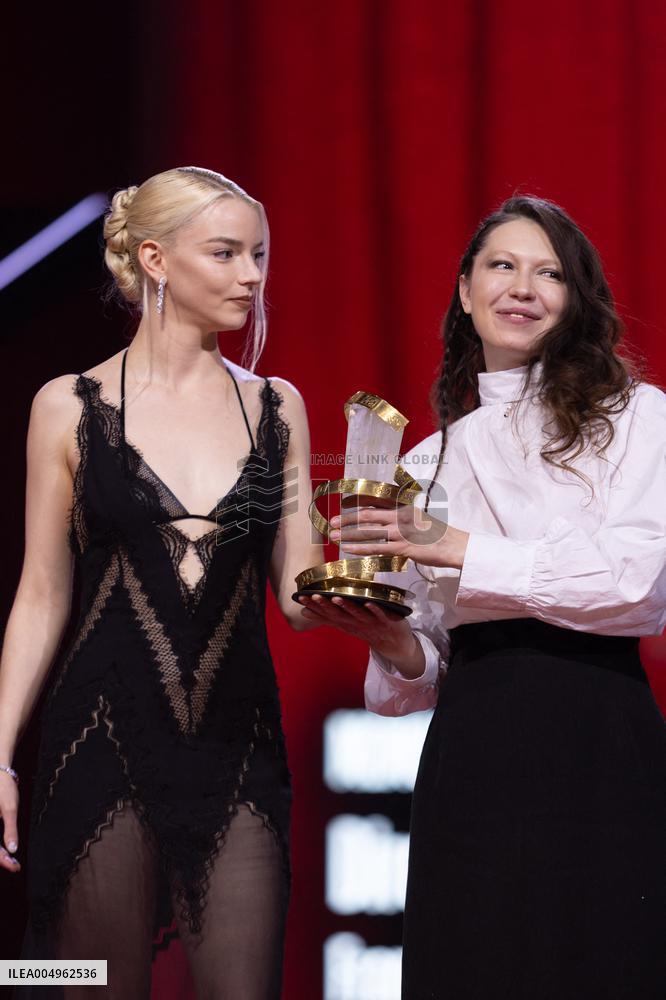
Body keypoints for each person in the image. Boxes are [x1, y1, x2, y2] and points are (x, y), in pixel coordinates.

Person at [300, 195, 666, 999]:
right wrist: (388, 640)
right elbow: (418, 674)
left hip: (601, 735)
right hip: (474, 748)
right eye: (502, 266)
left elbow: (638, 586)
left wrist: (451, 544)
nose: (522, 287)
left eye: (549, 273)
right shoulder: (427, 460)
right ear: (466, 290)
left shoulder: (639, 417)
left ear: (577, 298)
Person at [0, 166, 321, 998]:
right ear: (154, 259)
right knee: (85, 986)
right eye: (225, 253)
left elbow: (300, 597)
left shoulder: (277, 408)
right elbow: (41, 593)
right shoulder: (65, 407)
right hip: (98, 741)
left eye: (258, 255)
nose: (251, 275)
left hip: (240, 748)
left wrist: (373, 567)